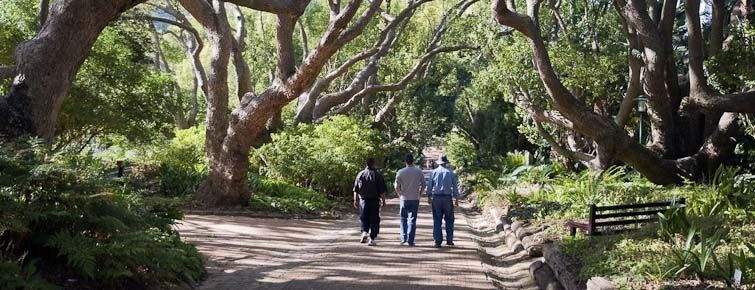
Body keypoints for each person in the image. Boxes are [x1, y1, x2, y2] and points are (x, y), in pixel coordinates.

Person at [426, 155, 459, 248]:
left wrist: (429, 196)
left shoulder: (434, 172)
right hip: (448, 199)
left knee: (437, 219)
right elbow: (455, 187)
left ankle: (437, 241)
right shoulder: (450, 173)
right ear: (446, 162)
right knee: (449, 219)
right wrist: (456, 199)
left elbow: (429, 186)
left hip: (436, 198)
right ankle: (449, 240)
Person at [353, 158, 387, 246]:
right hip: (374, 201)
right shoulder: (378, 175)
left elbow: (356, 189)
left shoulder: (360, 174)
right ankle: (372, 238)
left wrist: (355, 200)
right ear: (373, 164)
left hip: (363, 200)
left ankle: (364, 232)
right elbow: (382, 190)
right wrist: (383, 200)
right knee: (374, 220)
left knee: (364, 217)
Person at [394, 153, 425, 246]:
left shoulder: (400, 172)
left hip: (404, 198)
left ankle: (404, 238)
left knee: (403, 218)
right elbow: (423, 185)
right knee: (412, 219)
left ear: (405, 162)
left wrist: (399, 194)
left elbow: (396, 186)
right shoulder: (418, 171)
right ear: (413, 161)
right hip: (415, 198)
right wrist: (420, 193)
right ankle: (411, 240)